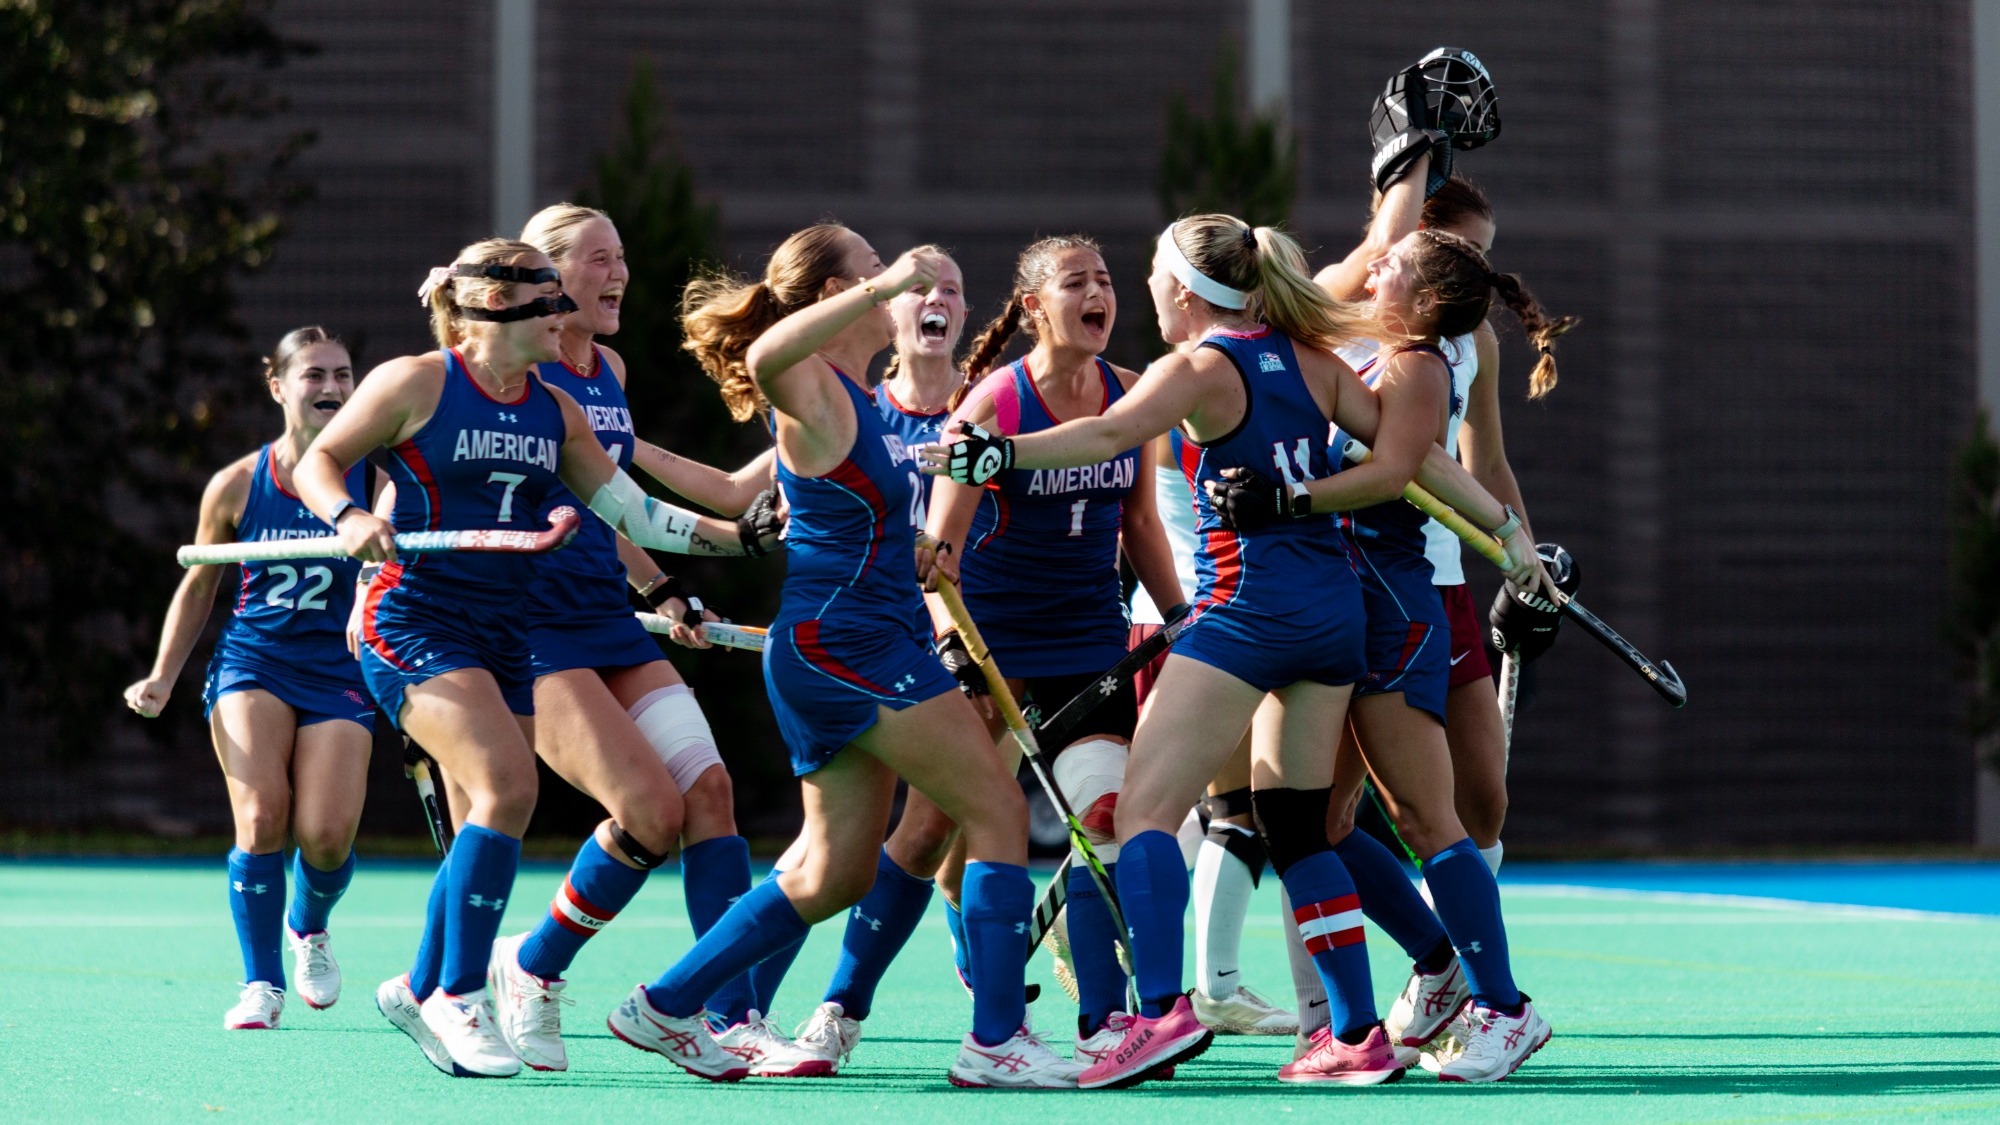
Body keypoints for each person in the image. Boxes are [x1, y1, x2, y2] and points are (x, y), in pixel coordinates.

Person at [926, 213, 1540, 1088]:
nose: (1133, 289)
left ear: (1182, 289)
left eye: (1143, 274)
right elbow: (1417, 463)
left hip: (1247, 615)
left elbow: (1104, 434)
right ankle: (1357, 1035)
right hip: (1334, 619)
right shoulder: (1314, 359)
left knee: (1143, 814)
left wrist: (996, 452)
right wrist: (1507, 529)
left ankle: (1161, 1014)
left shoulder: (1199, 368)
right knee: (1296, 824)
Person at [611, 223, 1081, 1089]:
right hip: (844, 643)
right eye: (876, 273)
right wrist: (877, 287)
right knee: (997, 810)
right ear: (837, 297)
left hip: (854, 641)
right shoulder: (816, 388)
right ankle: (996, 1040)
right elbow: (764, 358)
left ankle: (666, 1002)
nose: (899, 285)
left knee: (833, 873)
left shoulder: (855, 401)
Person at [294, 238, 772, 1079]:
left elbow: (635, 513)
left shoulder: (556, 409)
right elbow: (318, 459)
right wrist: (347, 517)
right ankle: (457, 994)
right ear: (496, 311)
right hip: (409, 616)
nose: (566, 318)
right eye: (552, 303)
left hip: (503, 626)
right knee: (508, 784)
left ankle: (420, 985)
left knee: (491, 795)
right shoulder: (419, 380)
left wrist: (741, 540)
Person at [477, 204, 794, 1075]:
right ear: (547, 277)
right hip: (534, 632)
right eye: (597, 260)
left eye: (622, 257)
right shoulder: (519, 382)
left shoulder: (607, 367)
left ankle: (728, 1017)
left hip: (608, 622)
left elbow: (607, 505)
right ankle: (531, 966)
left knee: (712, 793)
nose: (618, 274)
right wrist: (733, 536)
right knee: (649, 813)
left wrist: (662, 584)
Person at [918, 234, 1183, 1066]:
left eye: (1104, 279)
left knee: (1100, 820)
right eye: (1076, 282)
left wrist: (1178, 613)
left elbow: (1139, 522)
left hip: (1089, 641)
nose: (1098, 292)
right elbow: (938, 552)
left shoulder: (1131, 394)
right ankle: (853, 1002)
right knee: (942, 835)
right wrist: (952, 645)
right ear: (1035, 307)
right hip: (994, 645)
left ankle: (1104, 1019)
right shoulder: (993, 404)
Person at [124, 327, 377, 1031]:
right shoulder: (238, 483)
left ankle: (309, 922)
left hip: (338, 671)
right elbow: (200, 586)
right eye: (314, 375)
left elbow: (394, 580)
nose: (331, 387)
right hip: (252, 663)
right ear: (278, 386)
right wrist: (161, 676)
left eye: (343, 373)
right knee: (262, 815)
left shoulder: (378, 483)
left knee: (325, 837)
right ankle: (260, 982)